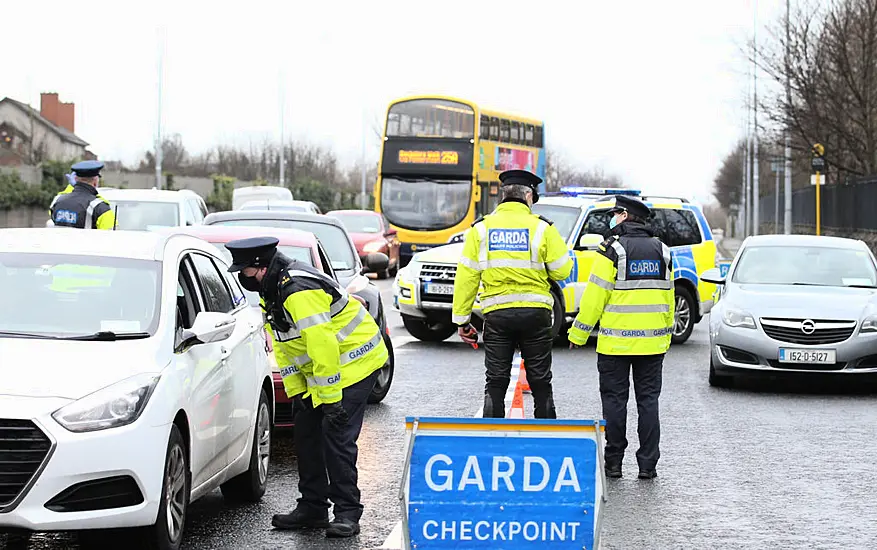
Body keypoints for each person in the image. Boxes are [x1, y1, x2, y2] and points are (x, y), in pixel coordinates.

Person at [224, 236, 388, 538]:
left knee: (335, 435)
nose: (240, 276)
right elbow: (285, 345)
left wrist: (331, 401)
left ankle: (348, 513)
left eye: (243, 270)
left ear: (259, 267)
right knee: (306, 429)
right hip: (330, 368)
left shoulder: (297, 289)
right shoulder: (272, 289)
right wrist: (298, 392)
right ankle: (313, 507)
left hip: (355, 362)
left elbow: (322, 345)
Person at [567, 194, 674, 480]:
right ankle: (648, 465)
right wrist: (665, 334)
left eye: (615, 213)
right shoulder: (662, 250)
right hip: (653, 343)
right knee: (648, 402)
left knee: (615, 402)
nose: (612, 218)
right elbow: (669, 297)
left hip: (616, 342)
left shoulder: (611, 249)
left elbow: (595, 296)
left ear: (625, 216)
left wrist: (578, 333)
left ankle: (613, 463)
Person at [452, 169, 572, 418]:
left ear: (502, 196)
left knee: (496, 380)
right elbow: (562, 271)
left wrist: (462, 321)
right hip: (536, 315)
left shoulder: (481, 229)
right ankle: (547, 438)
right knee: (540, 380)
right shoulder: (543, 228)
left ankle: (492, 438)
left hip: (497, 315)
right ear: (529, 196)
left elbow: (466, 278)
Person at [49, 160, 115, 229]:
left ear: (75, 178)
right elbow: (112, 236)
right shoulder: (100, 207)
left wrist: (71, 187)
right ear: (95, 181)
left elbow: (52, 215)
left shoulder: (57, 200)